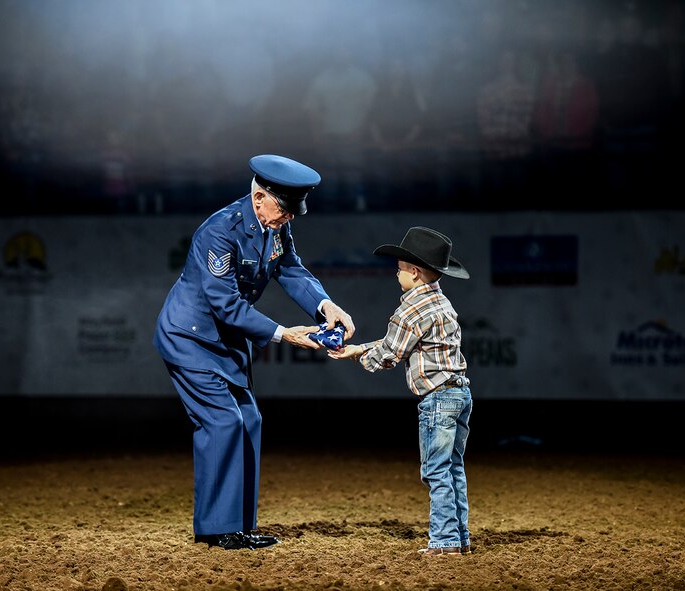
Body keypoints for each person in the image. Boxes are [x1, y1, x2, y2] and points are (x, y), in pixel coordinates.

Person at [153, 154, 355, 550]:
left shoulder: (274, 224)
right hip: (190, 339)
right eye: (284, 210)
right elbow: (224, 304)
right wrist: (284, 334)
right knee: (222, 421)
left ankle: (238, 526)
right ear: (259, 197)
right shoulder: (219, 231)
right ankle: (215, 530)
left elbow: (292, 270)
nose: (289, 220)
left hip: (227, 342)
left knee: (249, 419)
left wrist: (325, 306)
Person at [327, 226, 472, 557]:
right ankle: (459, 536)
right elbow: (401, 344)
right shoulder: (442, 303)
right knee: (453, 468)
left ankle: (445, 540)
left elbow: (390, 353)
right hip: (460, 393)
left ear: (415, 273)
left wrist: (361, 357)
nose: (397, 273)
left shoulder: (410, 309)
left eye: (401, 268)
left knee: (434, 470)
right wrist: (358, 348)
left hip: (437, 398)